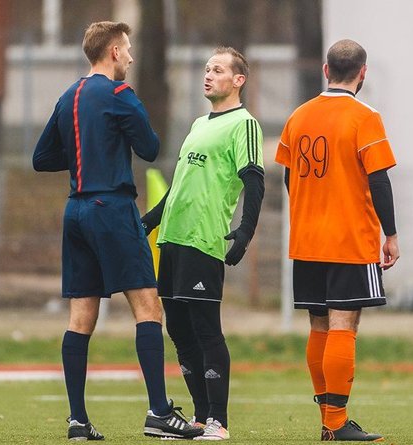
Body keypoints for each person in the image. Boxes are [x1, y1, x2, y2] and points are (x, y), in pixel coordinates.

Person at [33, 21, 203, 441]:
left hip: (75, 212)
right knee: (148, 307)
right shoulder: (119, 95)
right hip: (112, 207)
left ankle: (77, 421)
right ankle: (160, 413)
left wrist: (82, 157)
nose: (130, 56)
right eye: (126, 49)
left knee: (80, 318)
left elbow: (41, 157)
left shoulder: (68, 95)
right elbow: (150, 149)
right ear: (111, 53)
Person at [275, 39, 399, 442]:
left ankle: (329, 423)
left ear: (326, 70)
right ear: (362, 73)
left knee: (319, 326)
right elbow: (379, 180)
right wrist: (391, 234)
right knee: (344, 324)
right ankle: (336, 423)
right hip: (349, 238)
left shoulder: (298, 115)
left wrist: (309, 210)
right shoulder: (365, 116)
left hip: (307, 239)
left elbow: (289, 176)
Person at [141, 46, 265, 441]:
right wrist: (145, 222)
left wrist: (245, 232)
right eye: (207, 69)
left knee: (206, 329)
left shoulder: (244, 124)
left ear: (238, 80)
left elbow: (255, 181)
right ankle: (198, 417)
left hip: (203, 240)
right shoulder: (198, 124)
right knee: (177, 329)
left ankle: (219, 421)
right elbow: (178, 188)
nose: (207, 75)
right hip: (173, 241)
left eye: (217, 70)